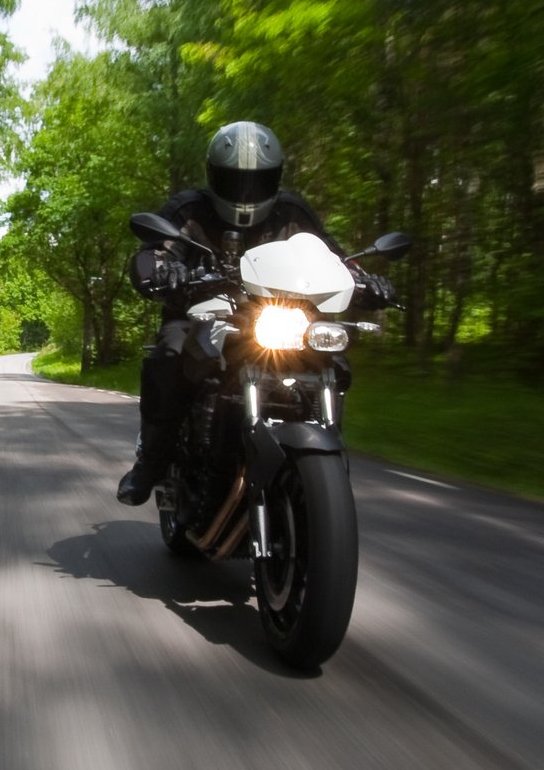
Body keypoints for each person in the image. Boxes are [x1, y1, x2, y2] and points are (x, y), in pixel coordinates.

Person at [117, 121, 395, 506]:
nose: (246, 192)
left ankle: (319, 470)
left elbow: (332, 257)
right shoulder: (189, 210)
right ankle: (152, 462)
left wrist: (364, 281)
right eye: (235, 180)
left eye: (258, 180)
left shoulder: (292, 212)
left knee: (334, 360)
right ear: (215, 176)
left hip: (278, 315)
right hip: (204, 312)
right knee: (170, 355)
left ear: (275, 177)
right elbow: (154, 252)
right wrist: (161, 271)